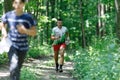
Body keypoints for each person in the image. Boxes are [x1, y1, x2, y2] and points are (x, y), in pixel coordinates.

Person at [0, 0, 37, 80]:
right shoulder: (8, 15)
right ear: (13, 4)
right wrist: (4, 32)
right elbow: (2, 24)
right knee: (14, 66)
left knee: (17, 68)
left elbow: (34, 32)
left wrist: (25, 31)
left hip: (23, 47)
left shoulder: (28, 17)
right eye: (16, 2)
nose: (18, 5)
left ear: (23, 4)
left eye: (20, 3)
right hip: (11, 45)